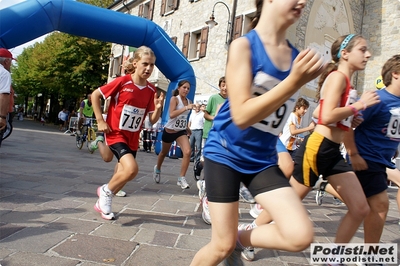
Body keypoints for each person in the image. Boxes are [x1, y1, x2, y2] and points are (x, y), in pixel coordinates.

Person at [190, 0, 326, 265]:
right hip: (224, 154)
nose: (303, 2)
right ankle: (229, 241)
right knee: (220, 246)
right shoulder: (244, 46)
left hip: (262, 160)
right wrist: (294, 81)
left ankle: (240, 237)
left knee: (300, 235)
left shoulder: (297, 57)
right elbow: (241, 116)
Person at [90, 46, 164, 220]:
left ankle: (104, 191)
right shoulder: (123, 82)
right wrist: (100, 120)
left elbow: (151, 120)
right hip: (115, 132)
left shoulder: (151, 90)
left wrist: (159, 108)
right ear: (136, 63)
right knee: (132, 169)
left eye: (152, 65)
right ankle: (106, 194)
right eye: (145, 64)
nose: (148, 68)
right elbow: (95, 95)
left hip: (132, 137)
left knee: (123, 175)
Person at [343, 54, 400, 245]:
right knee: (379, 204)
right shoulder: (378, 99)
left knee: (364, 206)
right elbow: (347, 124)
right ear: (395, 74)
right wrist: (354, 153)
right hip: (366, 158)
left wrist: (394, 148)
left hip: (381, 161)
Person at [153, 80, 193, 189]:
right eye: (184, 87)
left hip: (180, 131)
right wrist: (185, 108)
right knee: (163, 153)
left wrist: (187, 128)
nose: (186, 90)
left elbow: (183, 118)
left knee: (188, 151)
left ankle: (181, 178)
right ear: (179, 88)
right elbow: (172, 114)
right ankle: (157, 169)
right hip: (169, 131)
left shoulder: (189, 101)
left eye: (188, 88)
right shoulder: (174, 99)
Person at [0, 48, 15, 148]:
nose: (11, 65)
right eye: (11, 62)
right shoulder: (4, 73)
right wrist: (2, 117)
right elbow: (3, 95)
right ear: (6, 61)